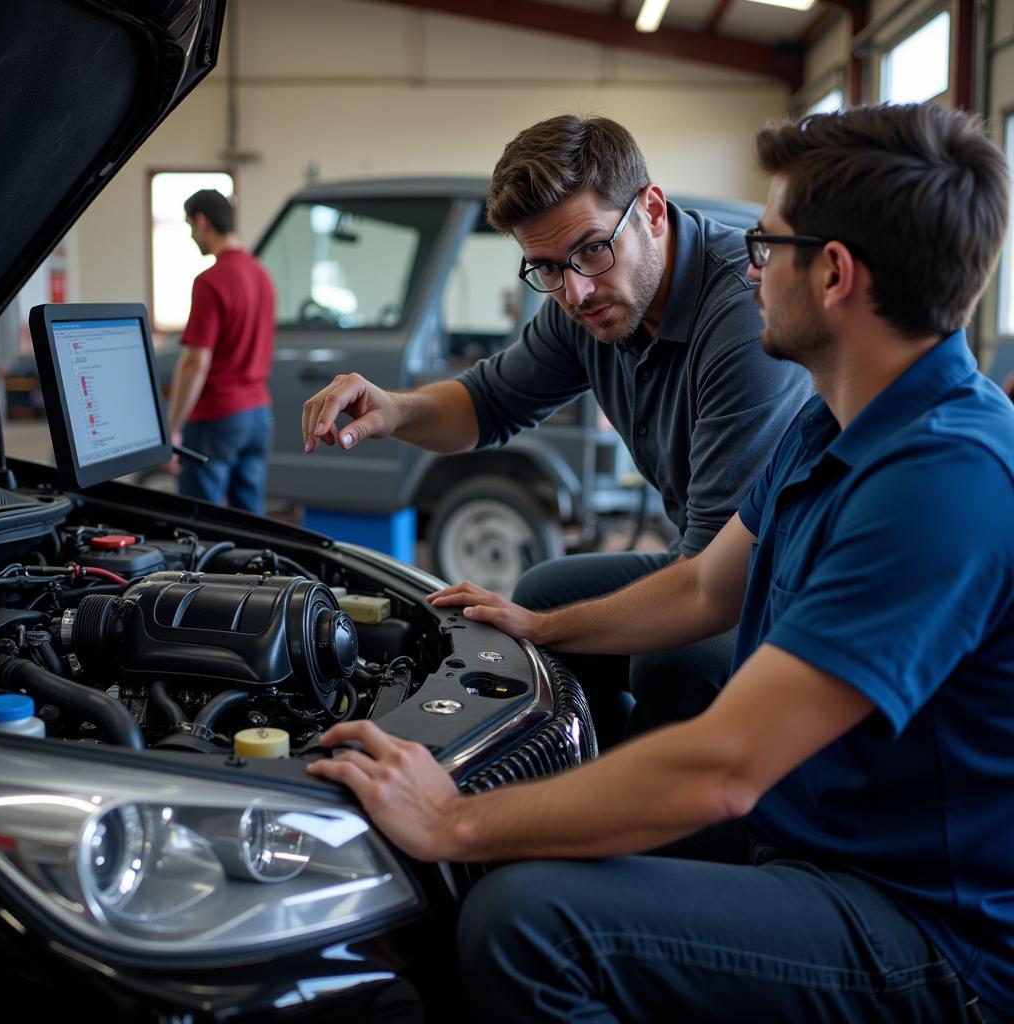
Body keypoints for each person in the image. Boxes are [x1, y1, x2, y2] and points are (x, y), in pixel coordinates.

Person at [306, 102, 1014, 1022]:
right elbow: (701, 584)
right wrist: (536, 625)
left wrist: (455, 819)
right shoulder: (835, 420)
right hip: (811, 833)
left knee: (526, 921)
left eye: (767, 245)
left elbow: (723, 766)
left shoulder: (942, 484)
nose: (748, 263)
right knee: (525, 855)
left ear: (833, 272)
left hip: (924, 928)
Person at [302, 115, 812, 746]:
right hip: (704, 559)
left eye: (594, 249)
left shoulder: (743, 318)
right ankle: (587, 765)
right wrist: (396, 410)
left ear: (652, 209)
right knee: (546, 589)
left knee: (675, 660)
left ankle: (640, 827)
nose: (575, 290)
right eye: (544, 267)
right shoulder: (584, 301)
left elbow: (712, 582)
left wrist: (544, 629)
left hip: (780, 578)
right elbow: (487, 403)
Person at [167, 189, 276, 514]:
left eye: (189, 227)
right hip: (259, 415)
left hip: (217, 416)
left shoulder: (210, 282)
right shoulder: (262, 274)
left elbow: (195, 363)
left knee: (203, 522)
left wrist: (173, 428)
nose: (191, 236)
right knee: (251, 519)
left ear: (202, 222)